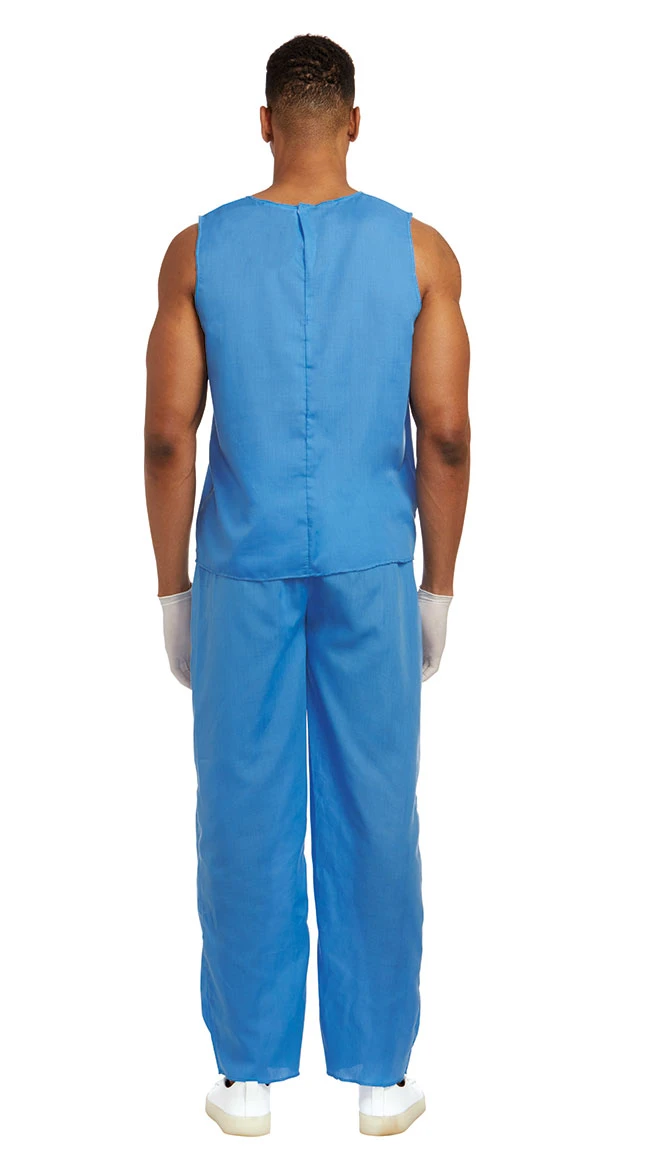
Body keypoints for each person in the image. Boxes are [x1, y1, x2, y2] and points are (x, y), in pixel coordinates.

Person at [144, 33, 470, 1138]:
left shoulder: (196, 252)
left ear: (265, 123)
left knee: (241, 806)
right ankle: (381, 1075)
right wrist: (438, 588)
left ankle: (246, 1077)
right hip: (373, 565)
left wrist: (173, 594)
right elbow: (446, 433)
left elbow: (166, 438)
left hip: (241, 567)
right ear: (354, 123)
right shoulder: (420, 251)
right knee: (376, 806)